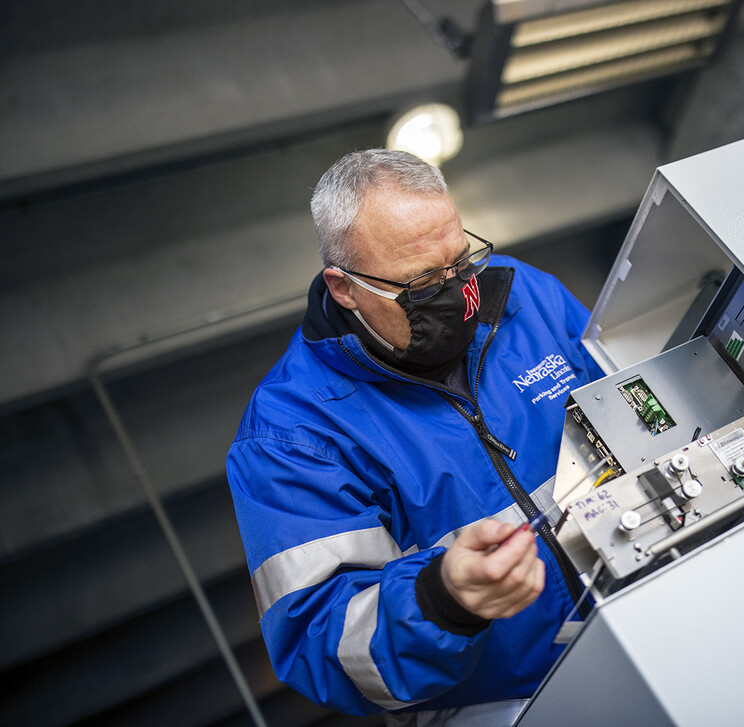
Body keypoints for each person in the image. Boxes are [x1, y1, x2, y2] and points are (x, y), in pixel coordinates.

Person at [226, 149, 605, 724]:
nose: (457, 295)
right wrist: (440, 601)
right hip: (501, 703)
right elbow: (323, 644)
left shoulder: (525, 297)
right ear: (345, 287)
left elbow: (637, 409)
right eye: (423, 282)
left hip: (636, 605)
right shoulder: (290, 436)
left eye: (461, 262)